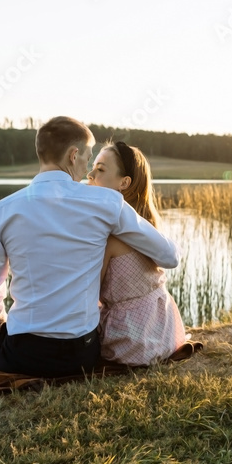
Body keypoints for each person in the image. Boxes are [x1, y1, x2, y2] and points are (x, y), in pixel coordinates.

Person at [0, 117, 179, 378]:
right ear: (73, 155)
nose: (87, 170)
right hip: (82, 353)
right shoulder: (107, 202)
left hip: (24, 351)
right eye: (87, 157)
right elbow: (169, 256)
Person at [87, 141, 187, 366]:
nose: (90, 174)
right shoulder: (147, 228)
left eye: (100, 169)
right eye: (93, 167)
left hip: (130, 341)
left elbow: (89, 295)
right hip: (165, 332)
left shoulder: (109, 238)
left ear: (124, 182)